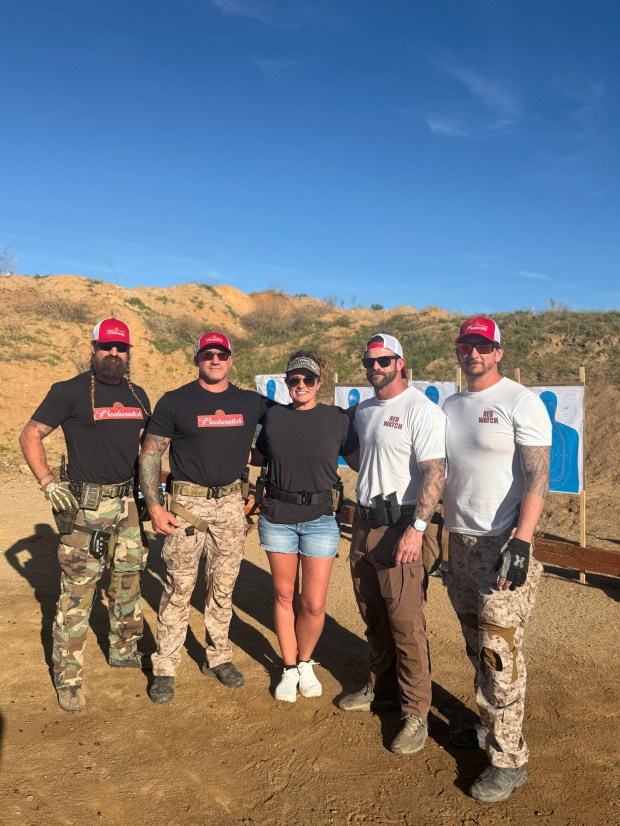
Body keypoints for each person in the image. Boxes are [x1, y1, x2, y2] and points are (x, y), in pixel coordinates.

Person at [442, 316, 551, 803]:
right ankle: (490, 726)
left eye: (483, 346)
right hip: (460, 542)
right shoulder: (452, 405)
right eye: (467, 345)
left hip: (502, 544)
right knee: (475, 644)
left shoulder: (520, 401)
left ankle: (509, 761)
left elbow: (538, 476)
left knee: (500, 653)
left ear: (498, 352)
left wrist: (522, 541)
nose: (474, 353)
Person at [18, 318, 151, 713]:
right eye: (107, 346)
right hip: (86, 510)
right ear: (93, 348)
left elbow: (148, 448)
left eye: (121, 347)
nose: (114, 353)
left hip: (127, 506)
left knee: (128, 582)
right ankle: (69, 676)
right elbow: (30, 434)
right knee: (77, 593)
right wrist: (47, 481)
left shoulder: (138, 394)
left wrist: (154, 494)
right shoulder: (69, 391)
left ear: (128, 352)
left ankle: (124, 648)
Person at [140, 332, 272, 704]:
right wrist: (154, 506)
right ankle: (165, 666)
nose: (215, 359)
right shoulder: (175, 401)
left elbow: (292, 419)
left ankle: (218, 656)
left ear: (231, 359)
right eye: (208, 353)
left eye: (221, 354)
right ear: (197, 358)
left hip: (230, 505)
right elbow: (150, 454)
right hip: (187, 505)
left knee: (223, 586)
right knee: (179, 587)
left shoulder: (251, 402)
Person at [340, 333, 446, 757]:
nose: (375, 367)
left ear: (400, 363)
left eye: (383, 360)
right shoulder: (365, 411)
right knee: (373, 615)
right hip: (365, 523)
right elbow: (360, 457)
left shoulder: (421, 409)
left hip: (402, 525)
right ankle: (382, 688)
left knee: (406, 624)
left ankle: (416, 711)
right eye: (369, 362)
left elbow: (435, 472)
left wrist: (417, 529)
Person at [252, 351, 358, 702]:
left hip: (321, 520)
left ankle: (305, 661)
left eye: (308, 379)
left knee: (313, 603)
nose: (301, 385)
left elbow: (363, 460)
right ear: (287, 382)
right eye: (294, 380)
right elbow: (257, 455)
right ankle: (288, 667)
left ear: (319, 383)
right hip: (277, 518)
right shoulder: (274, 417)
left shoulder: (336, 420)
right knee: (284, 595)